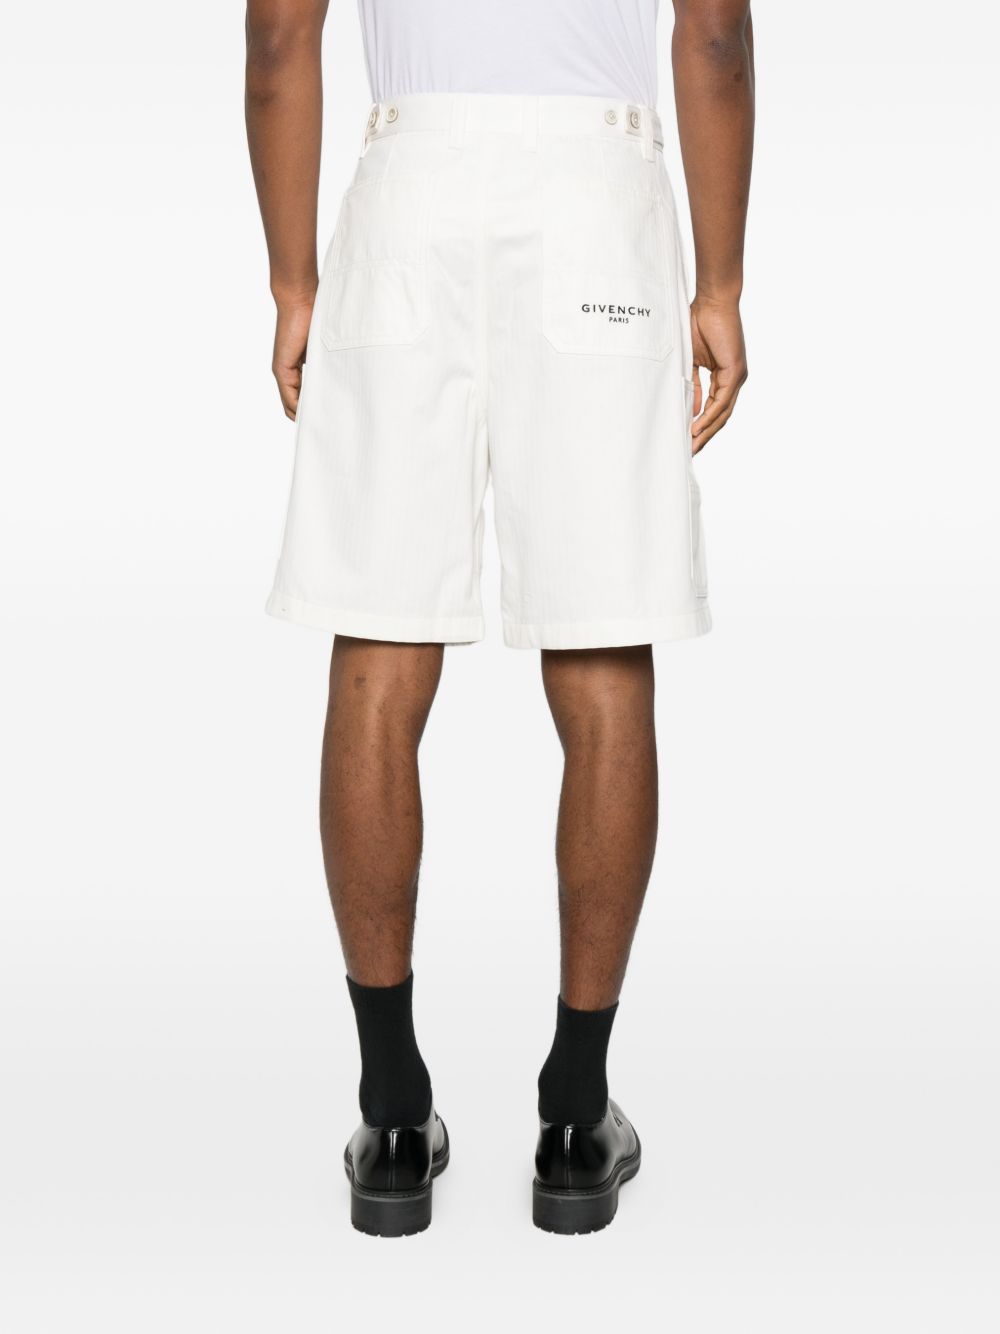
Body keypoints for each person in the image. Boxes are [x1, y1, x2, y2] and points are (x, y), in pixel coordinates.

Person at [245, 0, 752, 1237]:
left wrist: (293, 280)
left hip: (409, 191)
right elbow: (714, 34)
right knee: (601, 647)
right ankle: (576, 1115)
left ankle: (391, 1110)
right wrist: (722, 282)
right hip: (594, 198)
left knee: (378, 644)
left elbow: (277, 40)